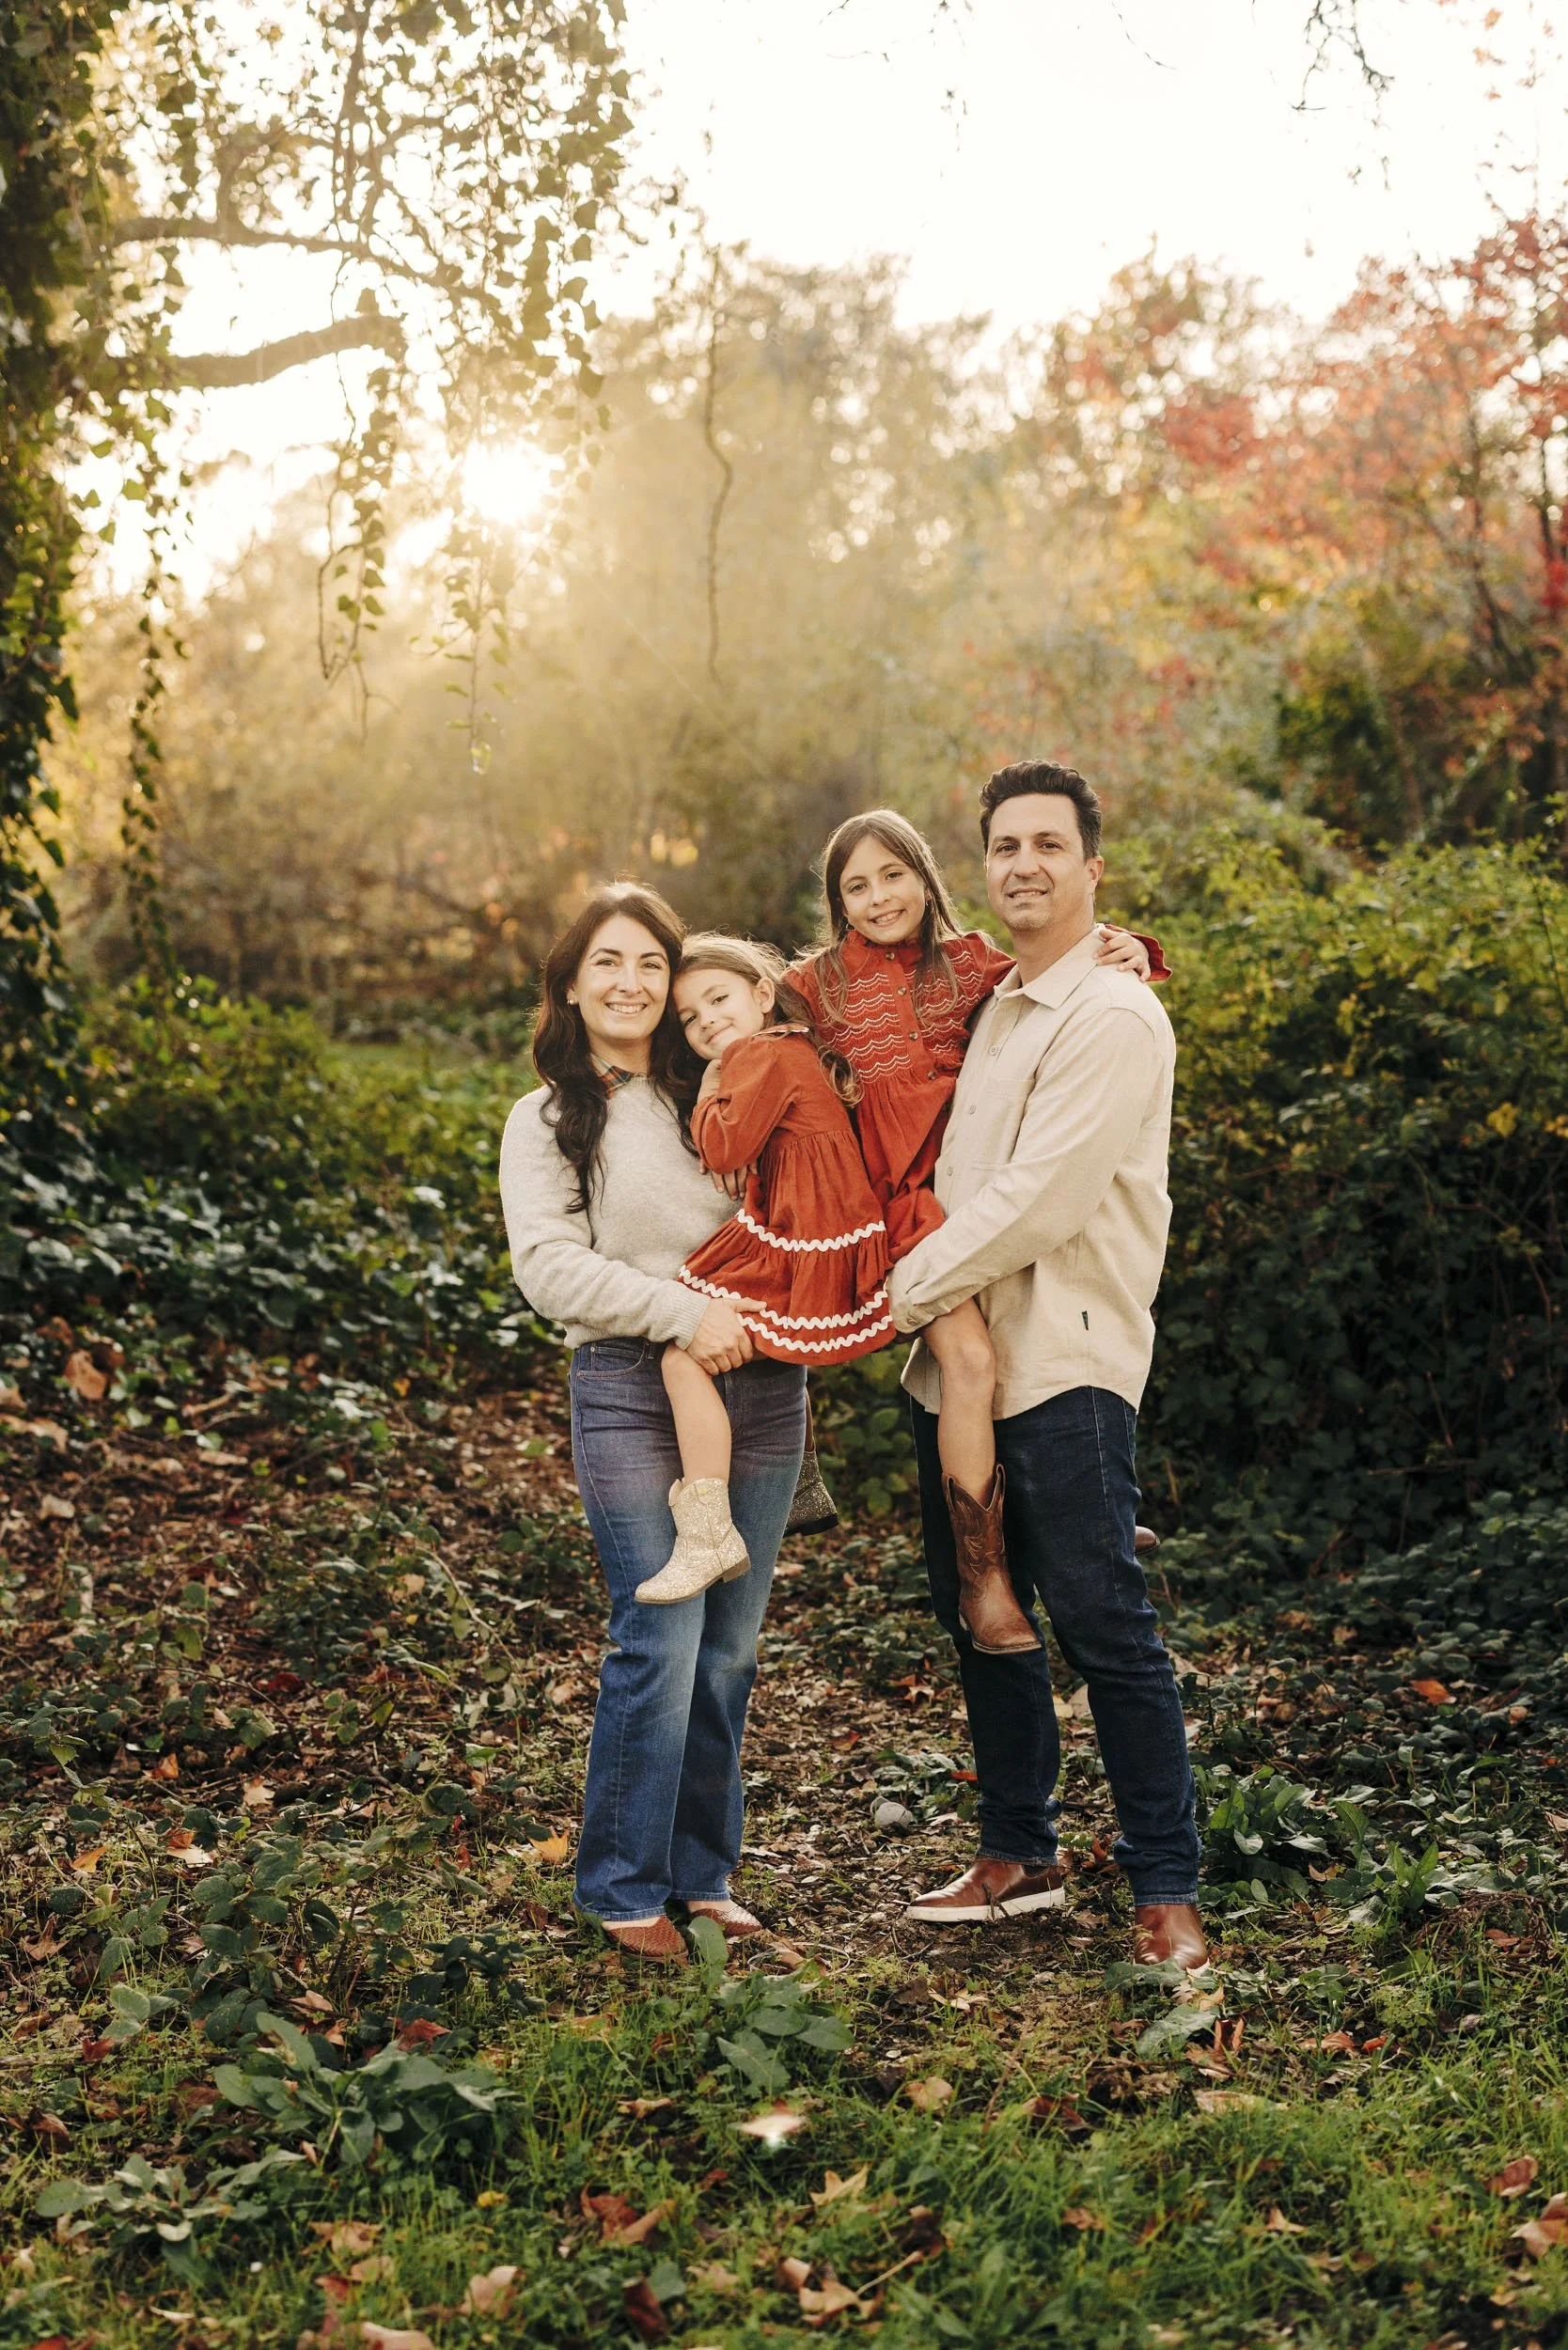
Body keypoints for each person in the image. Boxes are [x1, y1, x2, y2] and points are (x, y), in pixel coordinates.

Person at [886, 762, 1206, 1971]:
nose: (1024, 863)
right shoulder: (987, 1003)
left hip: (1063, 1361)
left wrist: (898, 1291)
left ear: (1091, 867)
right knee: (985, 1616)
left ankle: (1167, 1889)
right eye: (1005, 845)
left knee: (1103, 1622)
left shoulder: (1113, 1014)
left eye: (1048, 844)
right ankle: (1019, 1852)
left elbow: (1042, 1198)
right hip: (957, 1366)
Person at [497, 885, 805, 1965]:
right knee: (660, 1631)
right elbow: (548, 1267)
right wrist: (683, 1312)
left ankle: (701, 1875)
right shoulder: (548, 1119)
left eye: (649, 963)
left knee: (728, 1648)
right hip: (630, 1382)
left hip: (762, 1382)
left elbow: (851, 1019)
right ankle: (623, 1885)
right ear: (571, 985)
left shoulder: (727, 1082)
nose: (629, 982)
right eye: (607, 962)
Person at [792, 809, 1168, 1618]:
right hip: (890, 1208)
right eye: (857, 886)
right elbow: (736, 1013)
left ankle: (1084, 1518)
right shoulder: (817, 985)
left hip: (956, 1197)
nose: (879, 897)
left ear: (927, 880)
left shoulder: (973, 967)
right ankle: (986, 1571)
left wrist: (1130, 946)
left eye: (894, 875)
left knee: (997, 1359)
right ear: (838, 905)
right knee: (964, 1362)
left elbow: (1058, 969)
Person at [641, 937, 894, 1604]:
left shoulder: (758, 1054)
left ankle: (707, 1534)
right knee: (751, 1336)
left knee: (682, 1351)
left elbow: (723, 1147)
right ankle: (801, 1479)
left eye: (717, 999)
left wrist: (709, 1091)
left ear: (761, 994)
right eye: (689, 1018)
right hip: (825, 1232)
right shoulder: (794, 1047)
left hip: (804, 1242)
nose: (706, 1022)